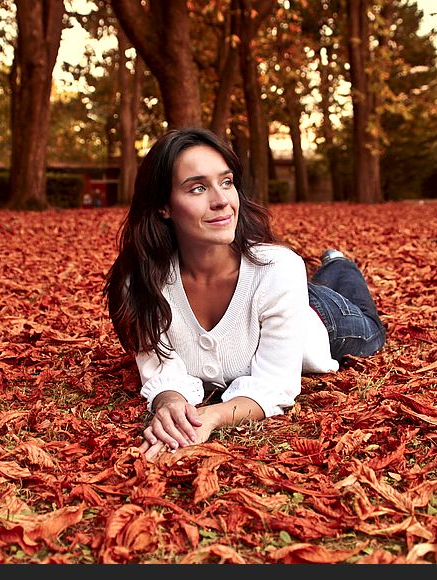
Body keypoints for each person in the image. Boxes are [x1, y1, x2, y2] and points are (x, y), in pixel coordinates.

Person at [104, 128, 385, 460]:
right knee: (300, 278)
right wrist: (170, 403)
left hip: (322, 320)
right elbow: (162, 370)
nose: (222, 200)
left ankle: (339, 265)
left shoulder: (278, 269)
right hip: (279, 294)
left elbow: (275, 384)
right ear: (164, 206)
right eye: (197, 188)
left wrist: (212, 416)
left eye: (226, 182)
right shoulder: (141, 282)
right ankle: (328, 270)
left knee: (370, 330)